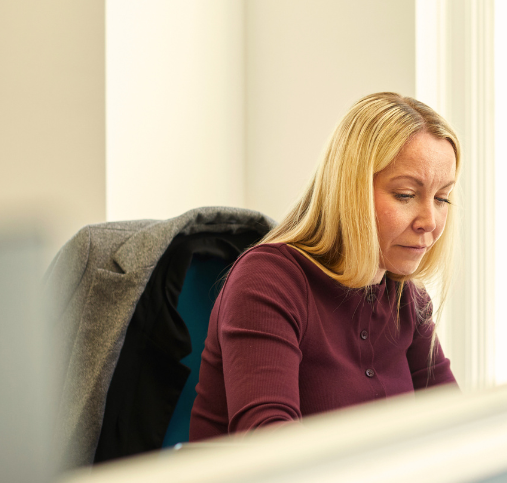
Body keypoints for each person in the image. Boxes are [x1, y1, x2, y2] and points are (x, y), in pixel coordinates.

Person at [189, 92, 460, 440]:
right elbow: (269, 456)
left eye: (442, 198)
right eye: (406, 195)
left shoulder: (407, 300)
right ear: (352, 190)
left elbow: (457, 429)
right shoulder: (266, 282)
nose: (430, 221)